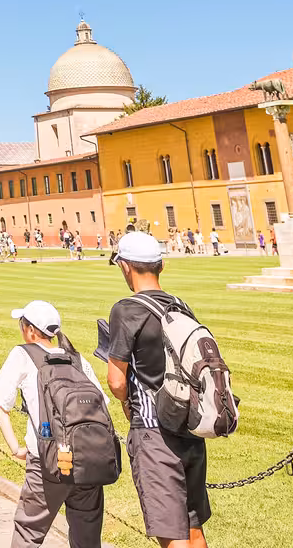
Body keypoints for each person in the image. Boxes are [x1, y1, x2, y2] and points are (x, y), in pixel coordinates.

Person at [105, 231, 210, 548]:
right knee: (193, 528)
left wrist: (125, 402)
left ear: (125, 267)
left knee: (171, 534)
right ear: (160, 265)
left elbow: (116, 379)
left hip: (154, 431)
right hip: (189, 428)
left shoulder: (127, 310)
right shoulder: (180, 305)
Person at [0, 300, 109, 548]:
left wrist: (15, 447)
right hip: (88, 458)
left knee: (28, 531)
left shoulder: (23, 354)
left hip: (48, 460)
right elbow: (102, 402)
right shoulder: (75, 357)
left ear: (31, 330)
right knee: (87, 538)